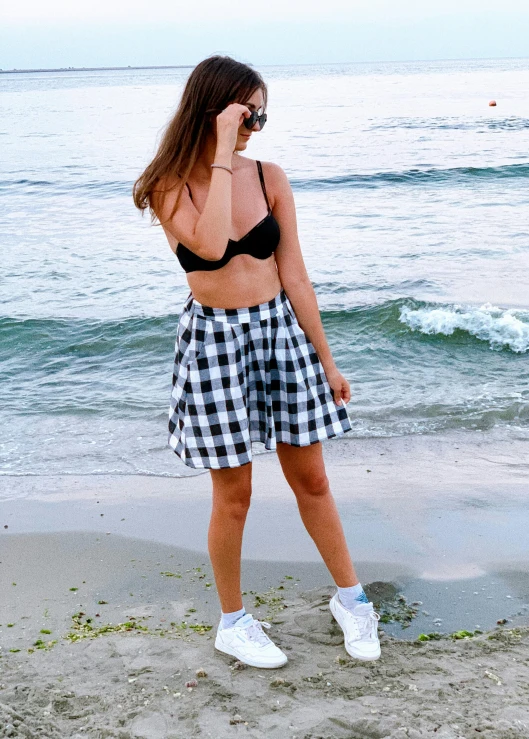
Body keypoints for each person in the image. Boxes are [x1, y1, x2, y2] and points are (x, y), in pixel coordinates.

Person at [133, 55, 380, 669]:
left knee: (312, 478)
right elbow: (212, 246)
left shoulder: (270, 175)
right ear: (213, 110)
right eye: (246, 113)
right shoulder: (169, 184)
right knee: (235, 493)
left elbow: (293, 270)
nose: (255, 124)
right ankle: (233, 621)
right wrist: (219, 153)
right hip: (215, 340)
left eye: (260, 114)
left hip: (279, 332)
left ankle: (350, 599)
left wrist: (327, 360)